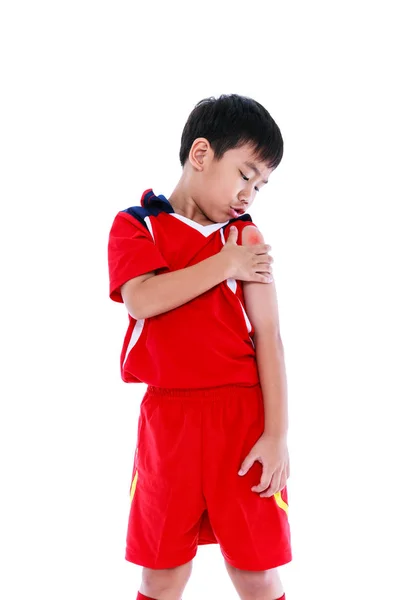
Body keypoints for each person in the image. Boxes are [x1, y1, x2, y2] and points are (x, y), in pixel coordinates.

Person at [107, 93, 291, 600]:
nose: (249, 193)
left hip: (241, 419)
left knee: (256, 571)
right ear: (202, 154)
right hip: (168, 423)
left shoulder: (246, 238)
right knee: (162, 573)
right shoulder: (137, 224)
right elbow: (142, 300)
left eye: (261, 185)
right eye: (245, 174)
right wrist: (223, 266)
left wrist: (276, 433)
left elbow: (269, 340)